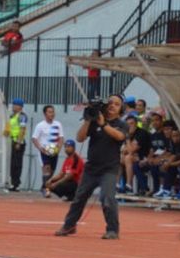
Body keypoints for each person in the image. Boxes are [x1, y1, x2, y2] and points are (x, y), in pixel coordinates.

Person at [54, 95, 128, 240]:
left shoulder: (121, 124)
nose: (112, 106)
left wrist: (103, 125)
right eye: (110, 103)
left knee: (107, 197)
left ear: (121, 109)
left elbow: (119, 137)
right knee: (79, 197)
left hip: (109, 169)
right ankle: (69, 225)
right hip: (91, 169)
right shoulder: (95, 122)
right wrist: (88, 120)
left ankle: (112, 230)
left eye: (117, 104)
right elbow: (80, 138)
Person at [31, 105, 64, 194]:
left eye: (53, 112)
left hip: (54, 151)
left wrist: (59, 148)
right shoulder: (40, 125)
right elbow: (34, 139)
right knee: (47, 169)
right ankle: (46, 190)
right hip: (44, 151)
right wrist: (41, 148)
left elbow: (61, 138)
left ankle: (43, 187)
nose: (52, 114)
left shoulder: (58, 124)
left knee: (52, 172)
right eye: (49, 112)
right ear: (45, 113)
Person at [3, 98, 27, 191]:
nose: (13, 106)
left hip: (18, 142)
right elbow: (8, 128)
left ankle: (16, 184)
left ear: (20, 107)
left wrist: (18, 142)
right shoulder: (12, 116)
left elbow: (22, 129)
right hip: (11, 142)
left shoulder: (22, 116)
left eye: (15, 105)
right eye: (13, 105)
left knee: (17, 164)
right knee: (12, 164)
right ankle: (13, 183)